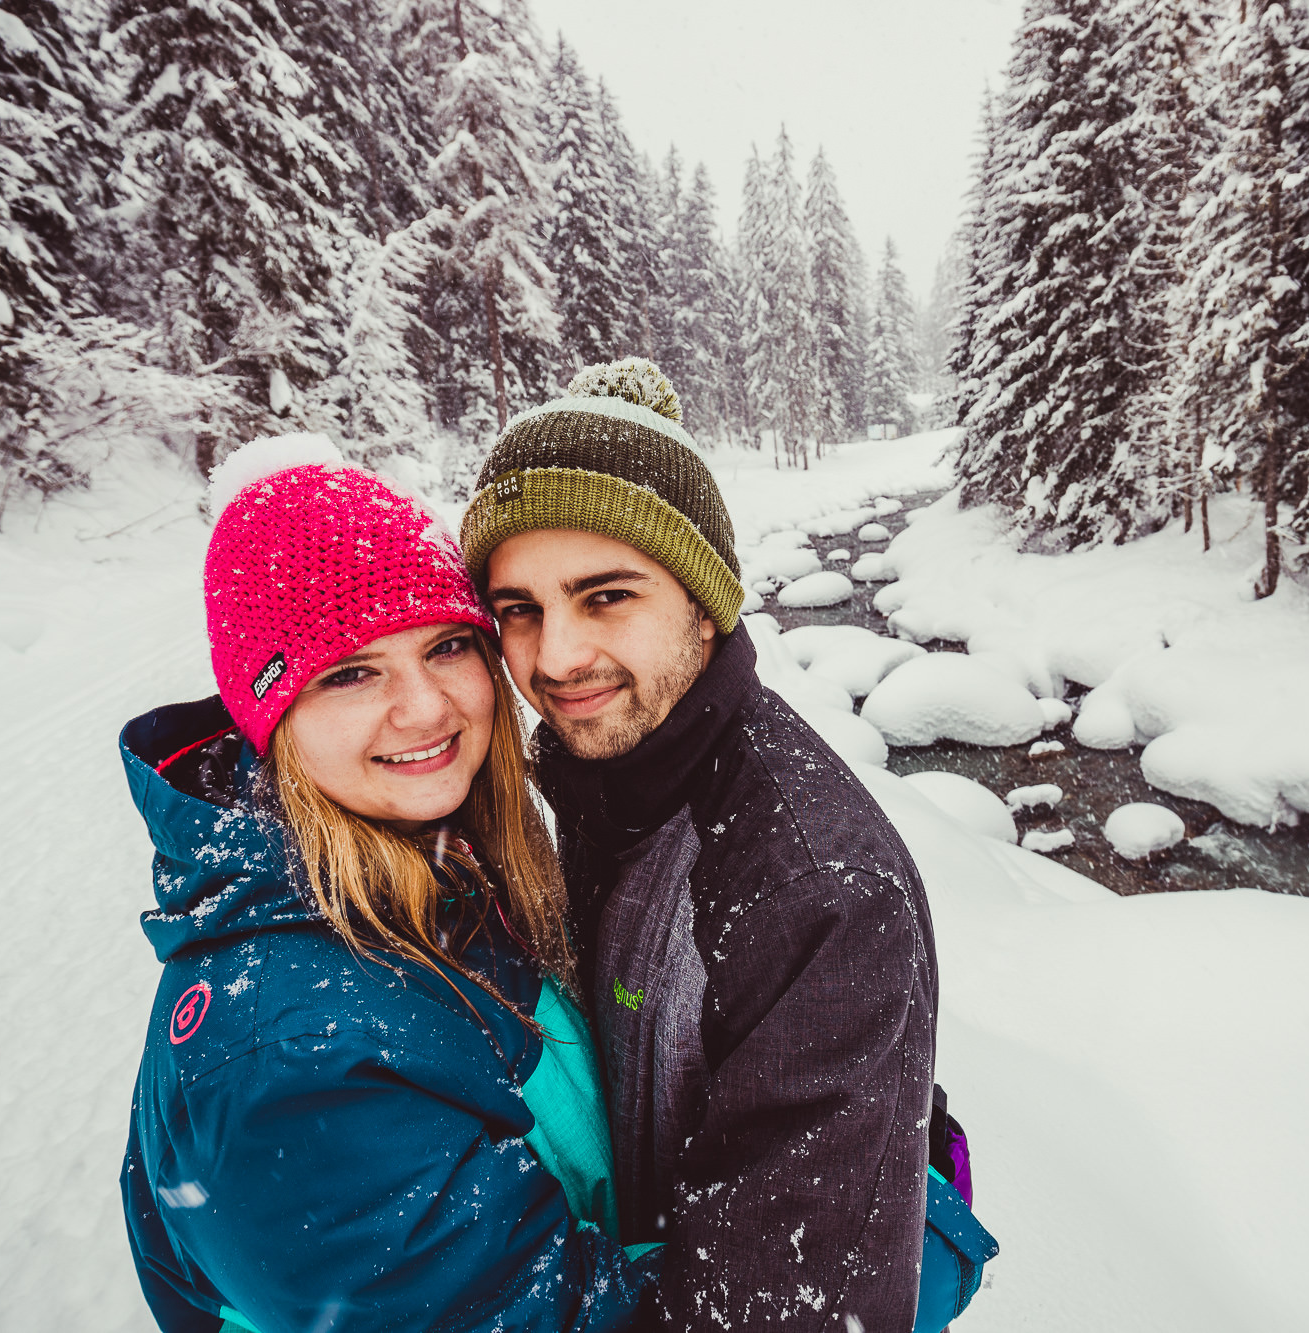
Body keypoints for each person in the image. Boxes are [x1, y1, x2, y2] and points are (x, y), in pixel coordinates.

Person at [459, 360, 996, 1332]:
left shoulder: (817, 892)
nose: (554, 656)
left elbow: (781, 1312)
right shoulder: (602, 772)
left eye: (606, 595)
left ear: (703, 601)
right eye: (519, 610)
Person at [117, 435, 655, 1333]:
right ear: (271, 715)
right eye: (352, 671)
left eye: (447, 646)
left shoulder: (434, 864)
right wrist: (862, 1248)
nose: (428, 707)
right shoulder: (292, 1063)